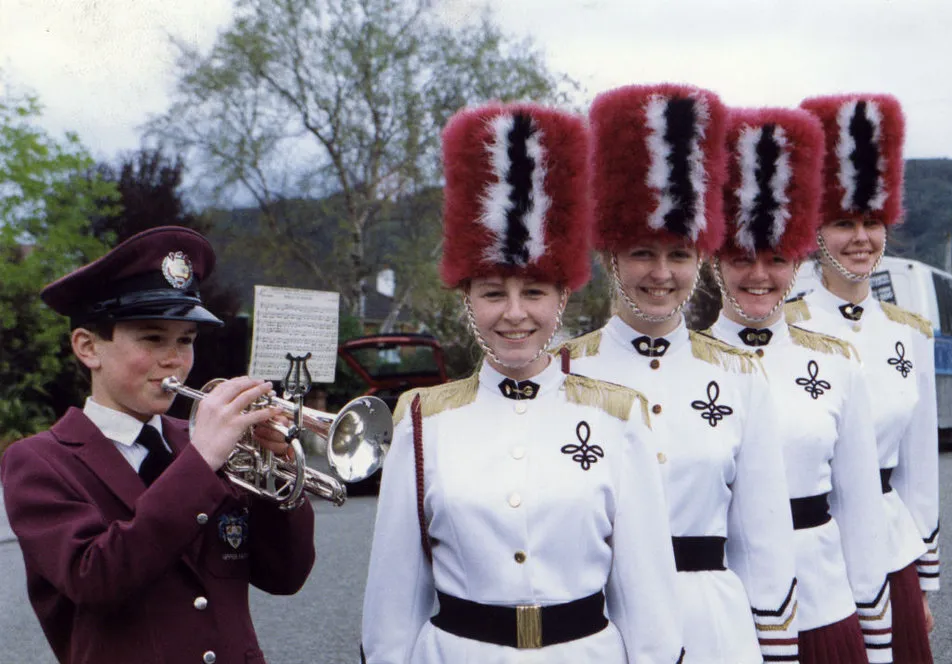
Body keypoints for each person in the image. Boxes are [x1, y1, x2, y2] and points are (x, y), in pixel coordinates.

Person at [360, 102, 685, 664]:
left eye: (534, 292)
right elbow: (394, 597)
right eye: (492, 293)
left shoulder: (619, 416)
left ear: (563, 297)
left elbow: (647, 592)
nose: (514, 314)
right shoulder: (421, 420)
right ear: (467, 300)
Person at [558, 83, 799, 664]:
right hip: (596, 627)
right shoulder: (562, 372)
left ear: (702, 259)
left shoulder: (741, 378)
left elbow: (764, 542)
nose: (661, 273)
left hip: (713, 626)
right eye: (643, 251)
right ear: (610, 254)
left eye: (680, 254)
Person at [0, 226, 316, 664]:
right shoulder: (39, 461)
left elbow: (285, 575)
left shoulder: (203, 443)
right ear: (88, 348)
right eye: (152, 339)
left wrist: (279, 469)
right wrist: (200, 462)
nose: (175, 360)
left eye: (185, 340)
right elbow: (96, 578)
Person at [706, 107, 893, 663]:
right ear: (714, 261)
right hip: (725, 616)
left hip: (822, 605)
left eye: (778, 259)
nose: (760, 276)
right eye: (742, 258)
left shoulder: (838, 366)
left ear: (798, 263)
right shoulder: (684, 370)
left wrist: (876, 643)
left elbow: (860, 515)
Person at [788, 94, 938, 664]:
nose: (860, 238)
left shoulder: (911, 333)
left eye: (871, 222)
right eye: (843, 222)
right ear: (815, 230)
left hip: (892, 552)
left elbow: (919, 476)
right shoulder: (783, 328)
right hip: (809, 556)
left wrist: (922, 581)